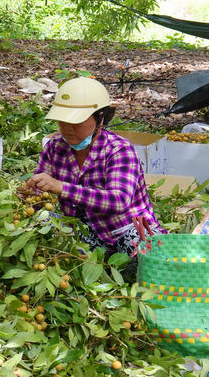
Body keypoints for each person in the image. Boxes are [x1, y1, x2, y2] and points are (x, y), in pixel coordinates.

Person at [23, 77, 164, 260]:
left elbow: (118, 201)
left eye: (76, 122)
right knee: (37, 225)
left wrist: (62, 187)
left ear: (100, 119)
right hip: (82, 232)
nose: (67, 128)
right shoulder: (54, 148)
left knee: (147, 257)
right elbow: (40, 193)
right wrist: (30, 195)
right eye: (62, 121)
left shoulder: (119, 150)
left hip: (125, 229)